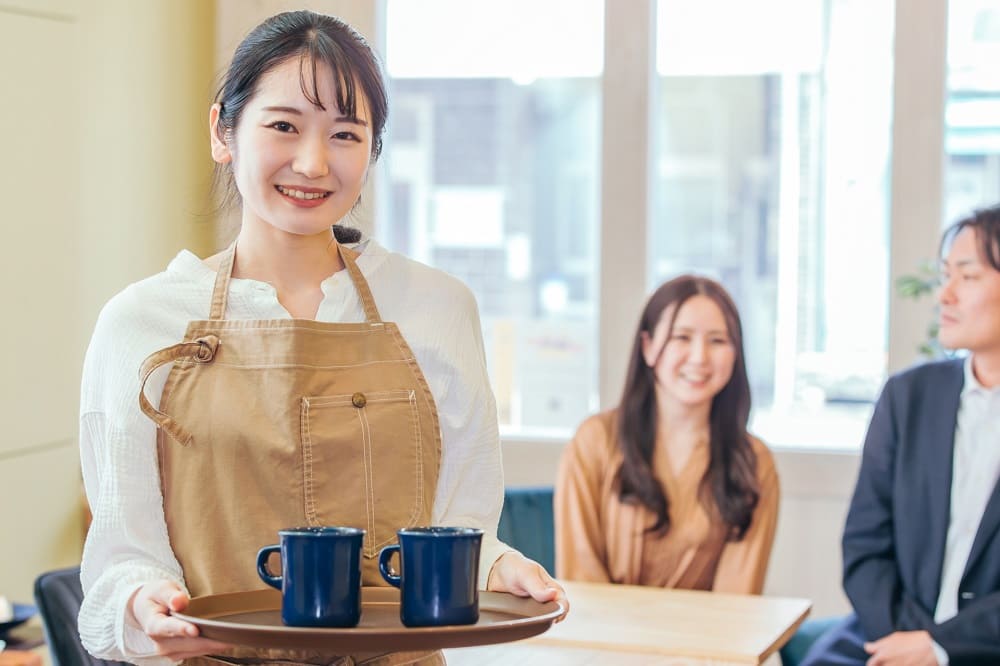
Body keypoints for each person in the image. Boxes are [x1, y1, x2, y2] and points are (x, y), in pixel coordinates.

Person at [78, 10, 566, 665]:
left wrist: (496, 567)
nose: (312, 162)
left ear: (372, 152)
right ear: (224, 131)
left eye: (344, 133)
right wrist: (141, 606)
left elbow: (462, 528)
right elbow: (119, 566)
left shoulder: (439, 309)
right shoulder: (140, 323)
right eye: (283, 126)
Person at [802, 206, 1000, 666]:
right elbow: (864, 545)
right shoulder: (908, 397)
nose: (944, 295)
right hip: (886, 640)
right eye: (945, 276)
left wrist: (941, 648)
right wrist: (905, 640)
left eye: (967, 277)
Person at [555, 275, 779, 593]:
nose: (700, 357)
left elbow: (737, 604)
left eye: (718, 340)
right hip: (602, 637)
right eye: (681, 337)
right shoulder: (595, 441)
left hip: (711, 640)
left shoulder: (753, 462)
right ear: (648, 347)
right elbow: (580, 580)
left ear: (735, 354)